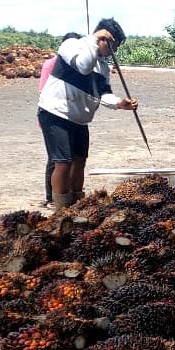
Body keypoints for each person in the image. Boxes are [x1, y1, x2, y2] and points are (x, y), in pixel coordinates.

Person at [37, 18, 138, 210]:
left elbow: (103, 95)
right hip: (56, 113)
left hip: (79, 120)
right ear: (103, 37)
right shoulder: (72, 46)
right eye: (112, 46)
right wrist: (93, 39)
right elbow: (83, 66)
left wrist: (119, 103)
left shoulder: (103, 66)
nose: (113, 52)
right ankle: (61, 208)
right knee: (63, 162)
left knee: (80, 161)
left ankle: (77, 205)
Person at [38, 32, 82, 209]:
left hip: (72, 118)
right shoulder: (51, 64)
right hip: (54, 115)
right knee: (57, 159)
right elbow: (43, 91)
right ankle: (51, 198)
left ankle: (68, 195)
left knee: (70, 158)